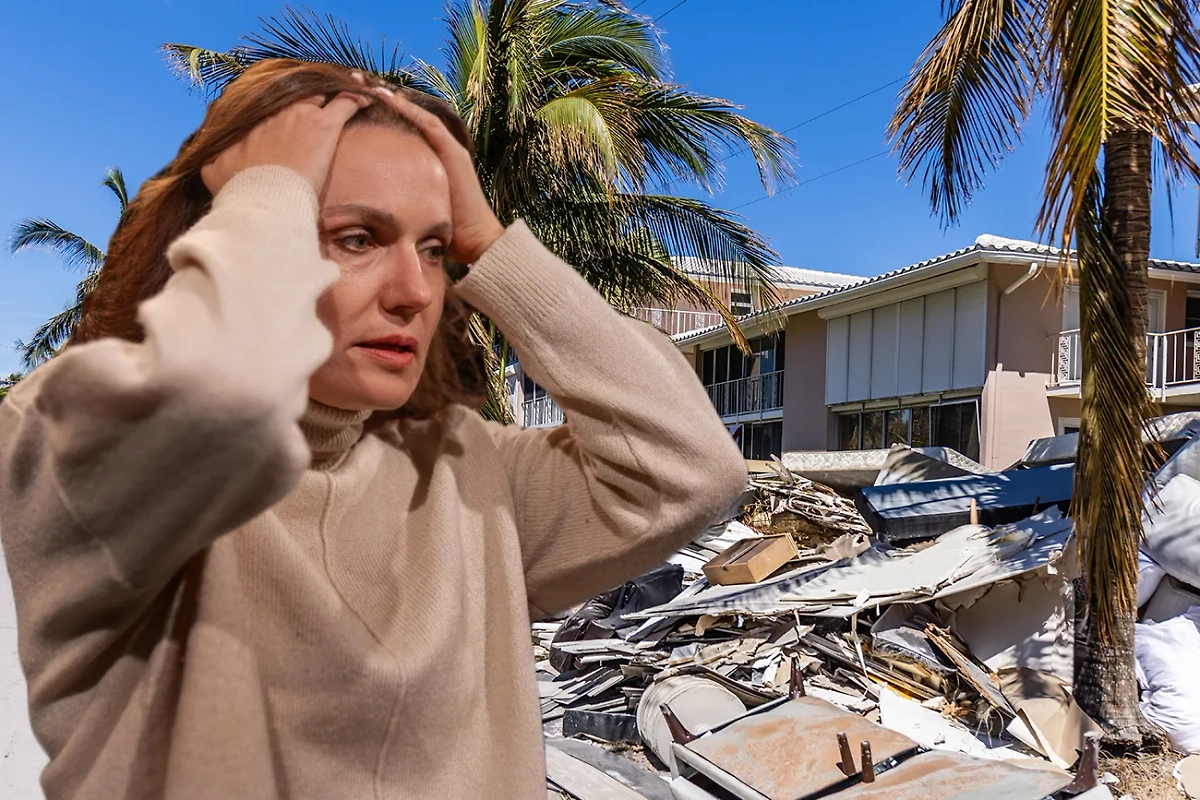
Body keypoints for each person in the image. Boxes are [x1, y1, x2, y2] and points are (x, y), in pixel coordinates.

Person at [0, 59, 747, 799]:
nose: (415, 291)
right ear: (237, 232)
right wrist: (270, 189)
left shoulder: (465, 469)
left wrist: (492, 245)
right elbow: (204, 403)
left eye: (434, 248)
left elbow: (692, 471)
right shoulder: (70, 447)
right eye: (357, 238)